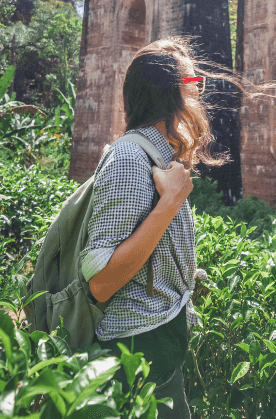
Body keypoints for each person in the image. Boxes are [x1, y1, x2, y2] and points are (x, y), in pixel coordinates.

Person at [79, 37, 229, 419]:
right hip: (136, 350)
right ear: (176, 94)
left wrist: (180, 275)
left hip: (156, 344)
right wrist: (169, 204)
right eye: (194, 84)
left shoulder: (156, 154)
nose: (198, 96)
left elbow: (142, 244)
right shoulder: (131, 158)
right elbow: (101, 280)